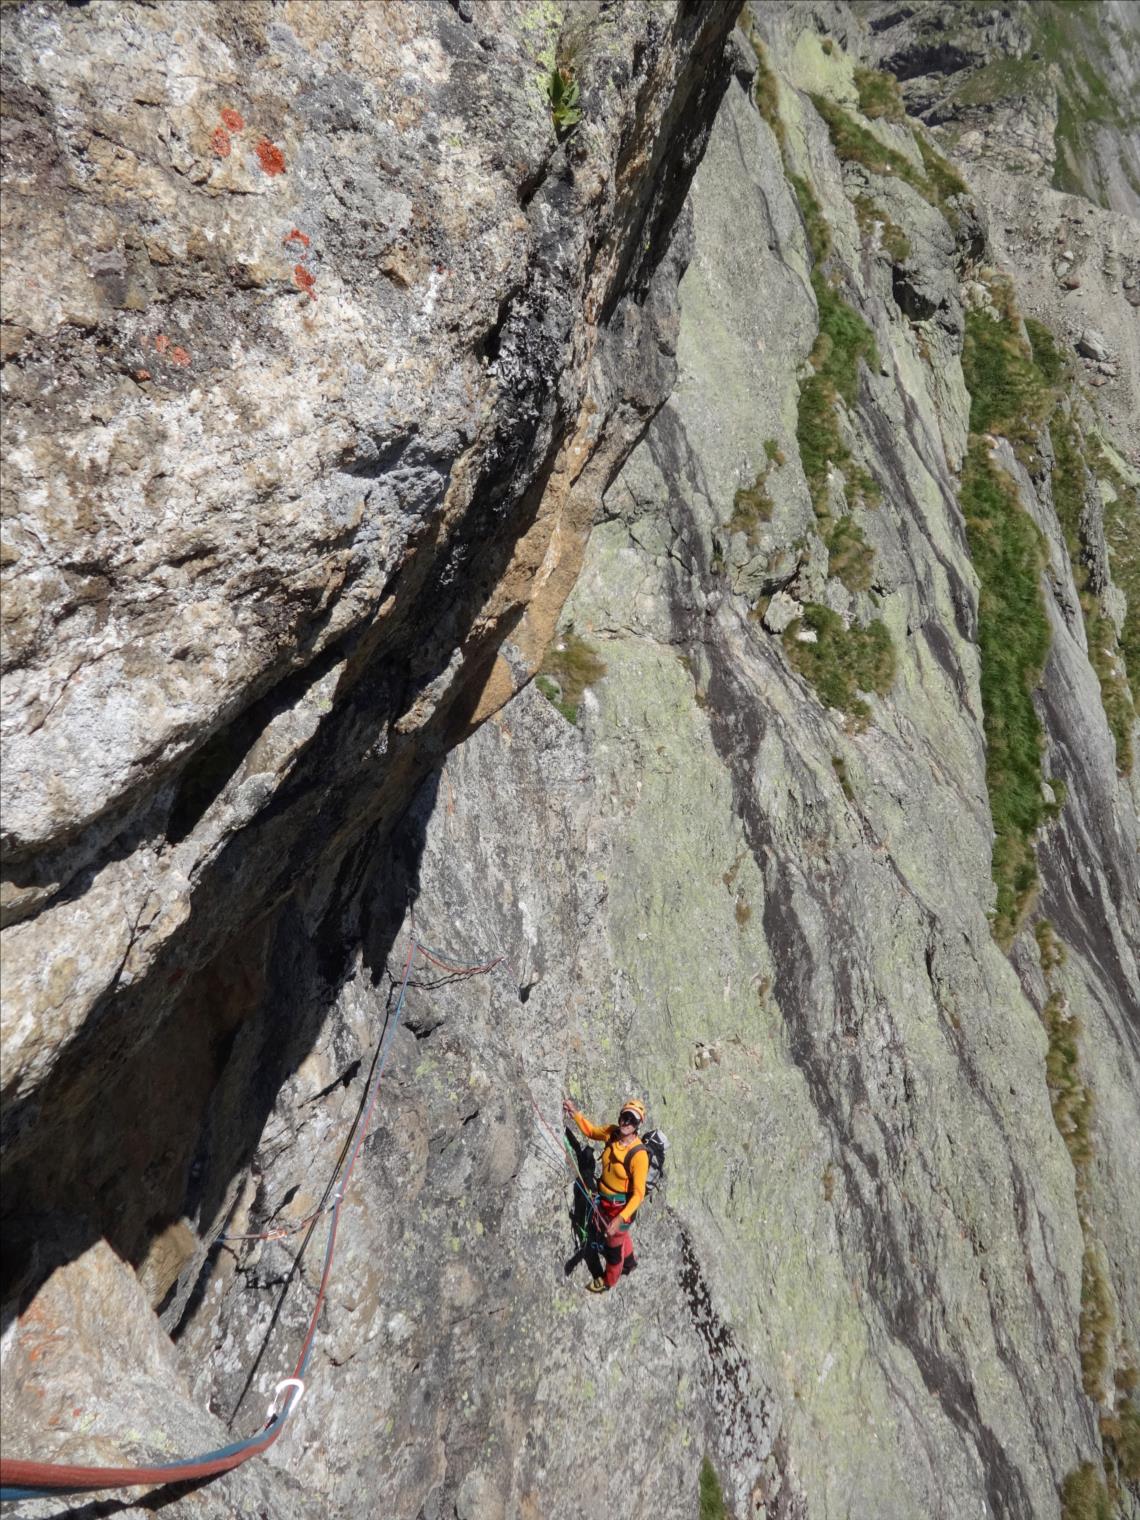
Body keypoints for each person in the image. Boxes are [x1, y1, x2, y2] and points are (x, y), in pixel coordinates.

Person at [561, 1096, 648, 1294]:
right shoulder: (611, 1133)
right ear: (620, 1116)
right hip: (607, 1203)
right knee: (620, 1237)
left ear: (638, 1125)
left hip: (621, 1209)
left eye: (633, 1120)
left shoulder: (639, 1155)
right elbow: (591, 1131)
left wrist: (619, 1219)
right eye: (625, 1117)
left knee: (613, 1250)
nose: (627, 1122)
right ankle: (630, 1261)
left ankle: (608, 1281)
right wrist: (574, 1113)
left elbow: (638, 1195)